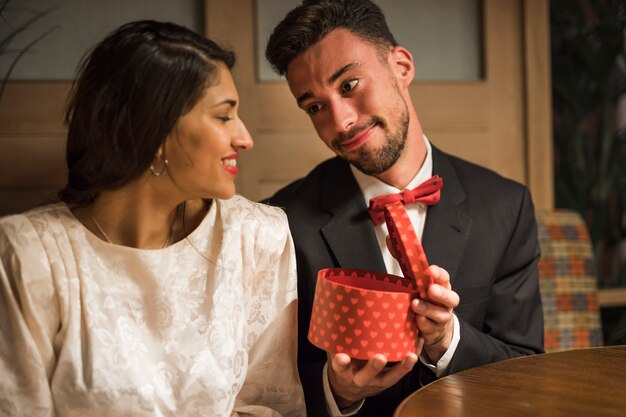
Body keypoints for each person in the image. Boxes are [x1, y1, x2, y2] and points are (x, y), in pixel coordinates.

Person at [0, 20, 305, 417]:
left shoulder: (257, 236)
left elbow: (270, 405)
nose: (245, 138)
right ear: (155, 130)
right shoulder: (27, 256)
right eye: (224, 116)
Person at [264, 1, 544, 416]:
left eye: (349, 85)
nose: (339, 122)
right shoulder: (280, 221)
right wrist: (337, 392)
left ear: (402, 66)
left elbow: (527, 370)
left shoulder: (505, 205)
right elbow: (264, 388)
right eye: (315, 107)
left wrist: (449, 340)